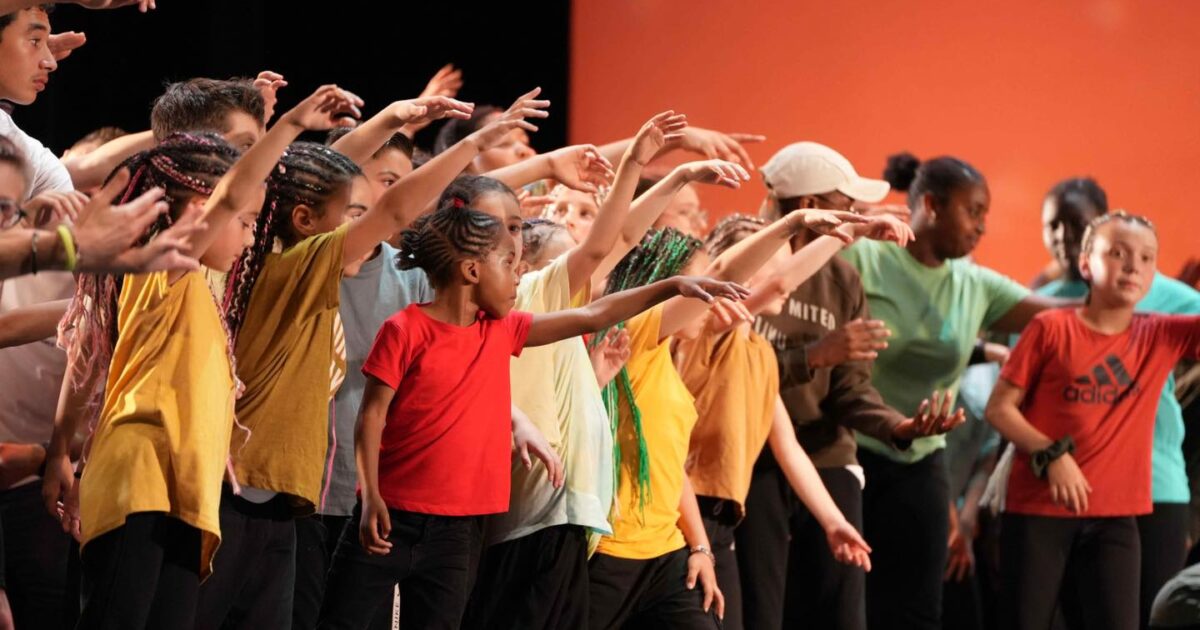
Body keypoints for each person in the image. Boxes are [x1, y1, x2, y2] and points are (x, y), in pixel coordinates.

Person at [195, 88, 546, 628]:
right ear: (306, 220)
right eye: (349, 215)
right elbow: (393, 207)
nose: (360, 226)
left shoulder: (283, 263)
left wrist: (384, 121)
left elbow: (321, 181)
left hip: (277, 494)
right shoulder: (291, 268)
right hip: (238, 490)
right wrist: (473, 143)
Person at [316, 204, 749, 629]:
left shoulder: (503, 330)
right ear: (472, 271)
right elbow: (371, 416)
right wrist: (370, 495)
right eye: (508, 264)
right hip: (392, 516)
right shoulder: (404, 329)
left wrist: (672, 286)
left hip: (458, 531)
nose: (517, 276)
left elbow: (594, 314)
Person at [838, 151, 1068, 629]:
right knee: (847, 605)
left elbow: (1062, 317)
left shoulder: (974, 283)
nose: (982, 226)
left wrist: (1132, 306)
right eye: (973, 211)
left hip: (921, 459)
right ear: (931, 206)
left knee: (919, 608)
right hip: (850, 453)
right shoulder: (865, 257)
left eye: (985, 214)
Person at [740, 142, 963, 630]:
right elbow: (732, 373)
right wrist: (814, 355)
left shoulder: (842, 280)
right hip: (752, 456)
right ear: (809, 207)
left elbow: (850, 391)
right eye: (847, 206)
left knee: (841, 609)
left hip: (825, 453)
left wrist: (899, 427)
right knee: (761, 608)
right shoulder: (748, 268)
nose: (858, 216)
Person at [676, 209, 918, 629]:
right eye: (779, 263)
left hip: (722, 525)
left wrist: (834, 522)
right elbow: (777, 284)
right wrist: (851, 230)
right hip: (682, 517)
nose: (793, 277)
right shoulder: (707, 333)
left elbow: (789, 449)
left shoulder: (760, 354)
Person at [986, 211, 1200, 630]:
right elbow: (999, 408)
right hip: (1040, 510)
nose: (1133, 266)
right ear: (1086, 264)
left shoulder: (1162, 334)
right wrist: (1052, 455)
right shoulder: (1049, 328)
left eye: (1146, 257)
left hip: (1115, 517)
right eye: (1118, 253)